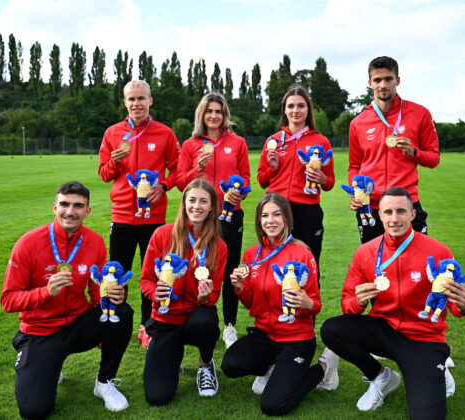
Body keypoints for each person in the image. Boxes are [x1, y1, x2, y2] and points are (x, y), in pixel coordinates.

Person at [320, 187, 465, 419]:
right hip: (385, 330)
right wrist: (358, 302)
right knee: (332, 329)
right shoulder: (365, 252)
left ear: (412, 214)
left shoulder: (438, 251)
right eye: (388, 212)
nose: (394, 218)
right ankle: (382, 377)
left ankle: (435, 372)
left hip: (424, 338)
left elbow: (453, 305)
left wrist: (462, 306)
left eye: (401, 211)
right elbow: (347, 303)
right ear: (379, 215)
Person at [1, 181, 133, 418]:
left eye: (78, 206)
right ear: (54, 207)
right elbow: (8, 300)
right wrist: (45, 292)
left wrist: (110, 296)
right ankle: (44, 363)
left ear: (87, 211)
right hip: (40, 331)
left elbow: (95, 290)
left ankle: (104, 382)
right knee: (34, 410)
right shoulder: (28, 243)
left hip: (77, 324)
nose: (70, 211)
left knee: (122, 313)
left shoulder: (95, 242)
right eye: (64, 204)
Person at [220, 193, 339, 417]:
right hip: (264, 335)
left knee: (272, 406)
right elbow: (251, 303)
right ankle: (272, 368)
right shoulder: (252, 255)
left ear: (286, 218)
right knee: (231, 364)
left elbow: (316, 305)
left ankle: (323, 368)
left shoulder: (302, 253)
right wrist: (241, 288)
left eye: (276, 214)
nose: (270, 221)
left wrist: (307, 302)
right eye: (265, 216)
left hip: (296, 340)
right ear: (259, 220)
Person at [98, 79, 180, 348]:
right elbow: (104, 174)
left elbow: (178, 169)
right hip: (122, 217)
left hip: (153, 219)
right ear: (125, 102)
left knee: (152, 276)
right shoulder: (113, 133)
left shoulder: (164, 133)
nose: (137, 103)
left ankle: (148, 325)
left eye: (141, 98)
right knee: (116, 275)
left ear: (150, 101)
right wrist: (115, 161)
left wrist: (163, 186)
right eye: (131, 99)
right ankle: (115, 324)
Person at [139, 178, 228, 404]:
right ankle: (171, 354)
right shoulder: (162, 234)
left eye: (203, 201)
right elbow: (145, 280)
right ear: (184, 203)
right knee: (157, 397)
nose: (197, 206)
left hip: (196, 315)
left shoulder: (219, 246)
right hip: (166, 318)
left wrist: (206, 297)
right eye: (192, 200)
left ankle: (205, 363)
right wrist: (155, 293)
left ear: (212, 207)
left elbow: (215, 292)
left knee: (206, 322)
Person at [176, 92, 251, 349]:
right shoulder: (190, 145)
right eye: (209, 111)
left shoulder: (238, 142)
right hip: (199, 215)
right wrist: (196, 169)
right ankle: (196, 319)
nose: (214, 115)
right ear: (202, 114)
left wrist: (240, 193)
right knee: (197, 267)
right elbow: (179, 182)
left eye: (219, 111)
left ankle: (229, 325)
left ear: (225, 114)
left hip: (231, 214)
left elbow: (246, 178)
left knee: (230, 269)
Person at [348, 56, 440, 244]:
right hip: (371, 207)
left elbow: (434, 159)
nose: (383, 85)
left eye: (388, 79)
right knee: (375, 260)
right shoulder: (358, 123)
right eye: (377, 80)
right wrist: (355, 190)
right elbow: (354, 166)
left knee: (416, 259)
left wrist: (414, 152)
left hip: (406, 204)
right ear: (370, 83)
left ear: (397, 80)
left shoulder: (420, 114)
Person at [257, 86, 335, 286]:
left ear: (308, 109)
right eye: (291, 106)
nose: (296, 110)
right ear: (284, 110)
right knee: (275, 263)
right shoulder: (273, 141)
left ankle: (309, 306)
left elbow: (330, 183)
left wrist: (321, 178)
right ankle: (276, 305)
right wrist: (273, 168)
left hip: (308, 210)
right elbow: (262, 181)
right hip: (277, 209)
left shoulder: (321, 141)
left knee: (309, 263)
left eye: (301, 106)